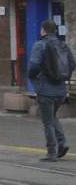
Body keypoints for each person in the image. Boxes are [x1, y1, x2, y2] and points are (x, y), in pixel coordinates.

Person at [27, 20, 76, 161]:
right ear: (55, 31)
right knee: (52, 116)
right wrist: (62, 76)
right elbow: (72, 63)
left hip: (45, 89)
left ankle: (52, 151)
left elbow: (34, 64)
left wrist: (32, 76)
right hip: (60, 89)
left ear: (42, 31)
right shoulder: (63, 45)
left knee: (47, 121)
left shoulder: (39, 45)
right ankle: (62, 143)